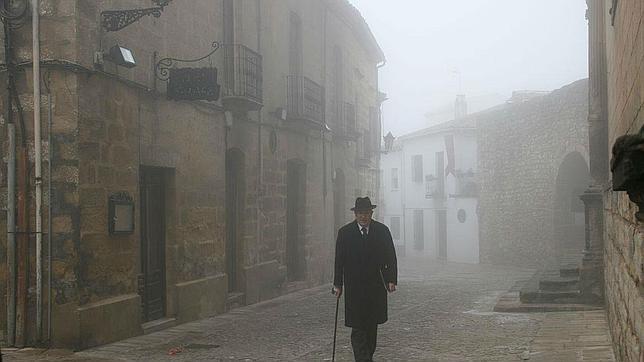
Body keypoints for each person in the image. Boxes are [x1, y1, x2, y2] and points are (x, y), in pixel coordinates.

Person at [333, 197, 398, 362]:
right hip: (355, 288)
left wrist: (391, 279)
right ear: (355, 214)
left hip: (376, 286)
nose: (363, 217)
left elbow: (391, 256)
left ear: (371, 213)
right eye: (360, 213)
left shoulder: (382, 231)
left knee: (371, 327)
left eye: (367, 213)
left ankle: (366, 356)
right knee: (358, 328)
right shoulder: (345, 233)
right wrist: (337, 284)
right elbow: (339, 261)